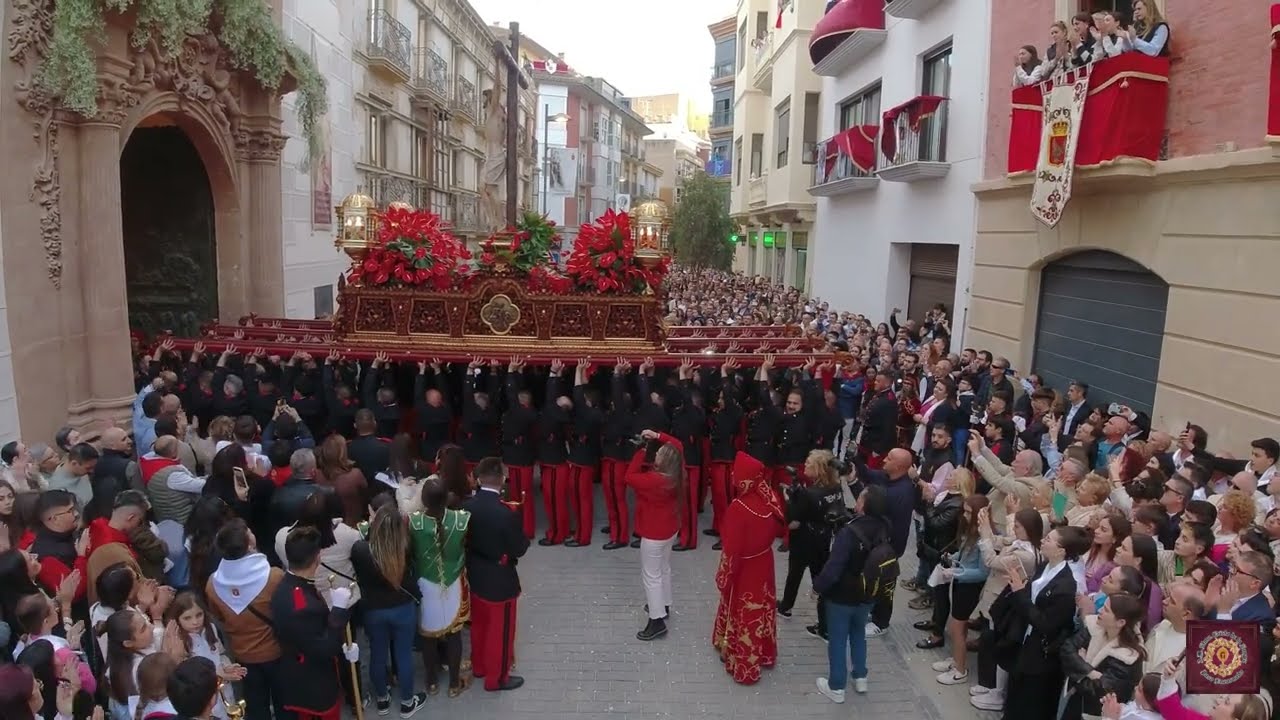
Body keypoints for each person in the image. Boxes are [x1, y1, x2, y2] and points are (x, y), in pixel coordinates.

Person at [1000, 525, 1093, 720]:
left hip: (1042, 653)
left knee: (1031, 705)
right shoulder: (1045, 566)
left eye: (1049, 539)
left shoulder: (1066, 585)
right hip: (1025, 642)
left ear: (1061, 550)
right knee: (1014, 698)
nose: (1043, 541)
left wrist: (1019, 593)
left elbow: (1046, 624)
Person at [270, 527, 361, 720]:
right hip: (314, 683)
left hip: (298, 675)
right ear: (318, 557)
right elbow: (324, 647)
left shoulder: (289, 587)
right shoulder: (302, 603)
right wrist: (338, 611)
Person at [814, 484, 893, 702]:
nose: (856, 501)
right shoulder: (885, 526)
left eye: (859, 498)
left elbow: (834, 567)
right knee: (858, 632)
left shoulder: (849, 532)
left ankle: (836, 686)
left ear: (865, 505)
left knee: (838, 638)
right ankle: (860, 677)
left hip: (842, 595)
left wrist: (817, 587)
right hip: (868, 593)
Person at [712, 452, 785, 685]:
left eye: (736, 472)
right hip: (764, 561)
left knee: (743, 611)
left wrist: (724, 576)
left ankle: (742, 663)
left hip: (745, 567)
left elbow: (731, 550)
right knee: (761, 608)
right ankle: (763, 652)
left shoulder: (738, 507)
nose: (733, 475)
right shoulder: (769, 496)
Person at [352, 504, 427, 714]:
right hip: (402, 607)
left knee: (377, 653)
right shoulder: (405, 547)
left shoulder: (360, 550)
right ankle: (406, 702)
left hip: (373, 610)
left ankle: (382, 699)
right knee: (403, 654)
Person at [463, 457, 529, 691]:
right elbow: (519, 548)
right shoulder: (506, 513)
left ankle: (480, 666)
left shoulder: (466, 506)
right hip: (500, 578)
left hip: (476, 572)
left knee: (479, 624)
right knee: (501, 631)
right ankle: (497, 678)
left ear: (479, 479)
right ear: (502, 480)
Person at [409, 476, 471, 696]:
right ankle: (454, 683)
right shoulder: (461, 520)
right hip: (453, 584)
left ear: (424, 500)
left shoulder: (414, 523)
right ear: (447, 498)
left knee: (428, 637)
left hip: (426, 585)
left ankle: (431, 681)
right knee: (455, 635)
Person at [623, 428, 685, 641]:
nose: (656, 454)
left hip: (653, 532)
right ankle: (665, 604)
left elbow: (629, 476)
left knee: (651, 575)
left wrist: (641, 451)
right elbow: (678, 444)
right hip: (670, 527)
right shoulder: (676, 473)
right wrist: (657, 436)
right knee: (664, 568)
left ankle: (656, 620)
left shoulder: (653, 481)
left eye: (659, 453)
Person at [777, 450, 844, 642]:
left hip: (803, 541)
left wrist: (789, 500)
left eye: (808, 463)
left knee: (795, 574)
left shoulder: (808, 493)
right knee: (820, 579)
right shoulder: (836, 488)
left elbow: (792, 522)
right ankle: (825, 623)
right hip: (823, 540)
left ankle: (788, 608)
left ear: (819, 469)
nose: (804, 465)